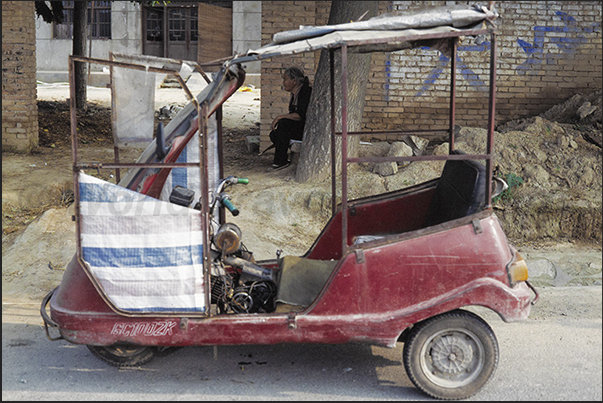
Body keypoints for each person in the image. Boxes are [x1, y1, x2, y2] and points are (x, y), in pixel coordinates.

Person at [268, 66, 312, 170]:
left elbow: (301, 115)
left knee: (283, 124)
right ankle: (282, 160)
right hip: (299, 127)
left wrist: (279, 117)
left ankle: (280, 161)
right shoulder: (295, 94)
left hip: (307, 129)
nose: (283, 83)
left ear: (294, 81)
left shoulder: (305, 92)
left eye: (285, 79)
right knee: (274, 134)